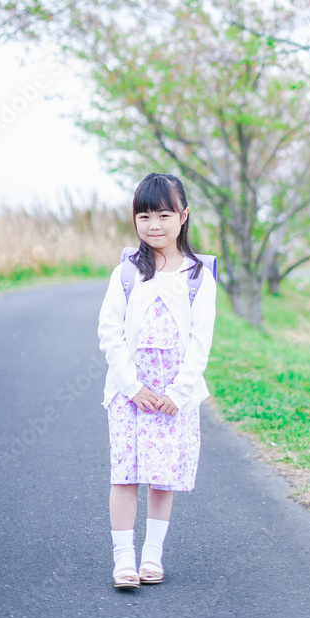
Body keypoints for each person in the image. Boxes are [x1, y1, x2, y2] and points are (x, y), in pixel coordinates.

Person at [98, 172, 217, 589]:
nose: (154, 225)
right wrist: (132, 387)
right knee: (125, 474)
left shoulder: (198, 275)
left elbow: (201, 341)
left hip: (172, 395)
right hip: (130, 392)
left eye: (164, 215)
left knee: (162, 477)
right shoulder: (127, 272)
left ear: (184, 216)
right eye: (144, 215)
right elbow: (109, 333)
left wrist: (179, 392)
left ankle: (152, 556)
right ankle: (123, 560)